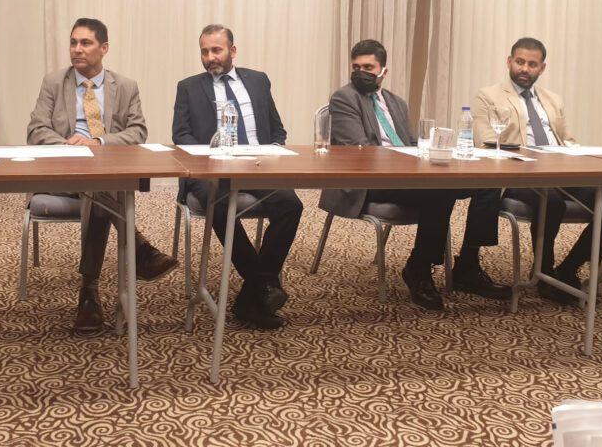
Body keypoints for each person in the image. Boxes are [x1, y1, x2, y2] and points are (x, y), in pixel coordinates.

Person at [326, 39, 510, 311]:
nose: (360, 73)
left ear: (383, 71)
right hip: (369, 179)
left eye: (368, 67)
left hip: (408, 174)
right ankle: (419, 267)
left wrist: (432, 151)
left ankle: (468, 265)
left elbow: (412, 142)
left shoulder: (396, 102)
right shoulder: (344, 98)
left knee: (486, 184)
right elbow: (358, 150)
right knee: (438, 189)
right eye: (356, 67)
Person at [27, 17, 177, 332]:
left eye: (86, 43)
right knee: (104, 190)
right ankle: (140, 249)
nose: (77, 49)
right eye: (73, 42)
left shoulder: (125, 86)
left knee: (99, 190)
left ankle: (89, 293)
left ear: (104, 48)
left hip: (105, 172)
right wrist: (68, 145)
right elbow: (36, 130)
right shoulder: (54, 82)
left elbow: (138, 132)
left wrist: (97, 142)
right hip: (63, 172)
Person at [472, 37, 602, 305]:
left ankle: (568, 269)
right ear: (509, 62)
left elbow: (566, 140)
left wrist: (578, 157)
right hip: (519, 175)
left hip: (560, 171)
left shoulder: (553, 99)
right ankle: (544, 273)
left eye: (532, 64)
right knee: (552, 201)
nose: (525, 69)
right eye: (520, 62)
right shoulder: (488, 96)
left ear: (542, 68)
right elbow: (485, 142)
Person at [172, 24, 303, 330]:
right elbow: (181, 135)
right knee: (219, 204)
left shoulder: (258, 81)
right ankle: (262, 285)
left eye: (216, 50)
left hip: (258, 165)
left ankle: (251, 293)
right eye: (204, 51)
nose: (210, 57)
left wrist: (272, 153)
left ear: (232, 51)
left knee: (291, 205)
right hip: (211, 169)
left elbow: (277, 129)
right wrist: (211, 156)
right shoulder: (189, 87)